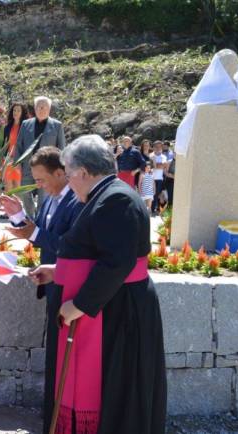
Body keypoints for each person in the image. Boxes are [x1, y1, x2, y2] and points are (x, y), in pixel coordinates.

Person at [29, 135, 167, 434]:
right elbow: (94, 254)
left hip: (119, 313)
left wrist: (78, 305)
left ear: (84, 172)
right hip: (111, 307)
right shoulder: (105, 196)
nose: (67, 181)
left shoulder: (115, 199)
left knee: (116, 393)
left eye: (68, 173)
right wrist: (57, 271)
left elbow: (117, 263)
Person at [0, 147, 83, 429]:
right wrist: (19, 216)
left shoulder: (78, 200)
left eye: (42, 180)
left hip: (71, 286)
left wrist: (32, 231)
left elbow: (70, 245)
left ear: (61, 173)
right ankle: (52, 412)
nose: (38, 186)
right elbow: (39, 235)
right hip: (51, 283)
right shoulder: (50, 199)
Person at [15, 96, 66, 216]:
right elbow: (19, 145)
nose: (40, 109)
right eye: (38, 106)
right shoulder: (26, 124)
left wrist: (61, 167)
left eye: (43, 106)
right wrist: (17, 163)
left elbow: (61, 148)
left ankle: (40, 219)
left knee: (44, 196)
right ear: (34, 108)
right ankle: (31, 216)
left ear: (49, 109)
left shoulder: (57, 125)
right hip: (28, 167)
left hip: (47, 169)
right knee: (25, 193)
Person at [3, 102, 28, 192]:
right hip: (8, 161)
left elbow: (27, 145)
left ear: (22, 113)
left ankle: (17, 206)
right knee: (8, 188)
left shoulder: (26, 127)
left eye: (18, 110)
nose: (15, 112)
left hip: (19, 162)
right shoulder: (7, 127)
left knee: (18, 188)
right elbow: (3, 144)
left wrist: (20, 160)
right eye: (14, 110)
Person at [150, 140, 169, 214]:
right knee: (153, 194)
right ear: (153, 147)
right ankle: (153, 209)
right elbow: (151, 166)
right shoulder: (150, 155)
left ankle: (156, 208)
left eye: (160, 146)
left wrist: (156, 165)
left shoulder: (163, 156)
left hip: (160, 178)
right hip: (152, 178)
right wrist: (159, 165)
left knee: (157, 194)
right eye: (156, 146)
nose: (158, 148)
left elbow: (164, 165)